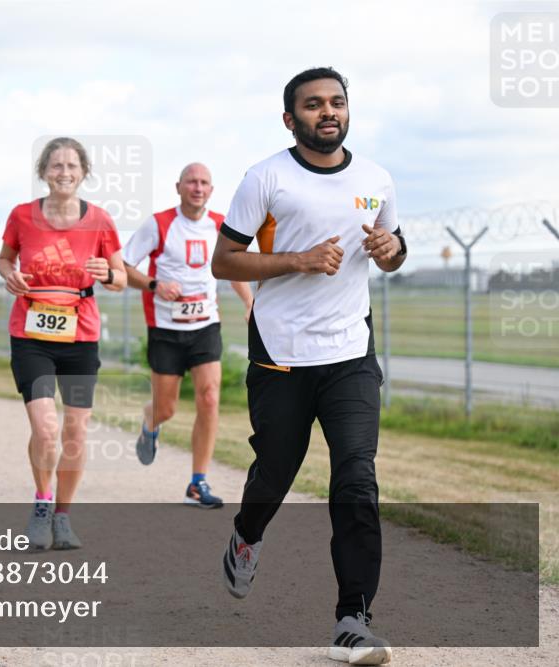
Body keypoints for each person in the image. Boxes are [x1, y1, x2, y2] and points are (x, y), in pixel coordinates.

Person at [211, 67, 406, 665]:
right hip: (281, 355)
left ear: (348, 111)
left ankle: (353, 618)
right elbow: (225, 261)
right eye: (314, 104)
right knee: (275, 473)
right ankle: (246, 537)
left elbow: (395, 251)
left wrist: (391, 250)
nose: (328, 112)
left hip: (350, 354)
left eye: (337, 102)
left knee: (356, 476)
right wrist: (295, 260)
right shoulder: (265, 178)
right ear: (290, 117)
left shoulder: (376, 178)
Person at [0, 137, 126, 550]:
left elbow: (121, 279)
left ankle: (64, 517)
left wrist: (107, 271)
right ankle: (41, 503)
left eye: (72, 165)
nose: (64, 172)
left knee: (74, 431)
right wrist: (8, 274)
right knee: (46, 428)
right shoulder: (22, 216)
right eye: (56, 166)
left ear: (84, 172)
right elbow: (4, 258)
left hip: (80, 335)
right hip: (31, 334)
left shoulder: (101, 221)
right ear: (43, 172)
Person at [122, 163, 253, 508]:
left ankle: (198, 483)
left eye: (204, 183)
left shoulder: (220, 224)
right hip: (166, 329)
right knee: (166, 408)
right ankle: (150, 424)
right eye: (191, 182)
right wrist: (154, 284)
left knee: (209, 398)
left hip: (205, 326)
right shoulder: (159, 224)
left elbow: (233, 268)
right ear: (178, 187)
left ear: (211, 190)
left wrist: (249, 302)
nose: (198, 187)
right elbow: (124, 265)